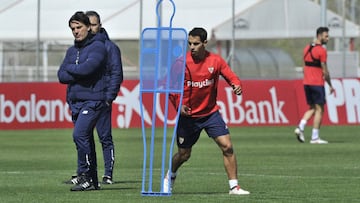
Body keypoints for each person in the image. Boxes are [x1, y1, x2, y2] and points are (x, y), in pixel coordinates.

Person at [164, 27, 250, 195]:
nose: (192, 47)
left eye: (196, 44)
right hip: (189, 117)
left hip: (210, 114)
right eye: (189, 44)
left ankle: (234, 187)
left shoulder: (216, 61)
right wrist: (178, 106)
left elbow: (231, 75)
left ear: (205, 43)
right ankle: (169, 177)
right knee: (184, 154)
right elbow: (170, 87)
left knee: (227, 147)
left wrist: (236, 85)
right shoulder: (181, 63)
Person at [65, 11, 123, 186]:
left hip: (101, 99)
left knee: (104, 137)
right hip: (84, 99)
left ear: (98, 25)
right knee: (83, 136)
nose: (91, 28)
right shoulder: (81, 48)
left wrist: (108, 97)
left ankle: (107, 174)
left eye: (94, 24)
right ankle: (84, 174)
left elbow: (116, 73)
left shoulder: (109, 47)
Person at [58, 11, 108, 191]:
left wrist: (72, 70)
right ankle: (92, 181)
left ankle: (86, 175)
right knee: (85, 138)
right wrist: (76, 70)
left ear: (88, 27)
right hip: (76, 101)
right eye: (73, 28)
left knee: (79, 135)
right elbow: (61, 75)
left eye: (79, 27)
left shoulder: (98, 47)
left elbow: (89, 68)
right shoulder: (72, 51)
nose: (76, 31)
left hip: (93, 100)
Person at [294, 26, 334, 144]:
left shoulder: (306, 48)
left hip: (306, 83)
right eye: (326, 36)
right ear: (319, 35)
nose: (328, 38)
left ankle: (300, 127)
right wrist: (330, 85)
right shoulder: (321, 50)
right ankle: (315, 137)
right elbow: (325, 71)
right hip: (317, 83)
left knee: (312, 108)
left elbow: (303, 67)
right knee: (320, 109)